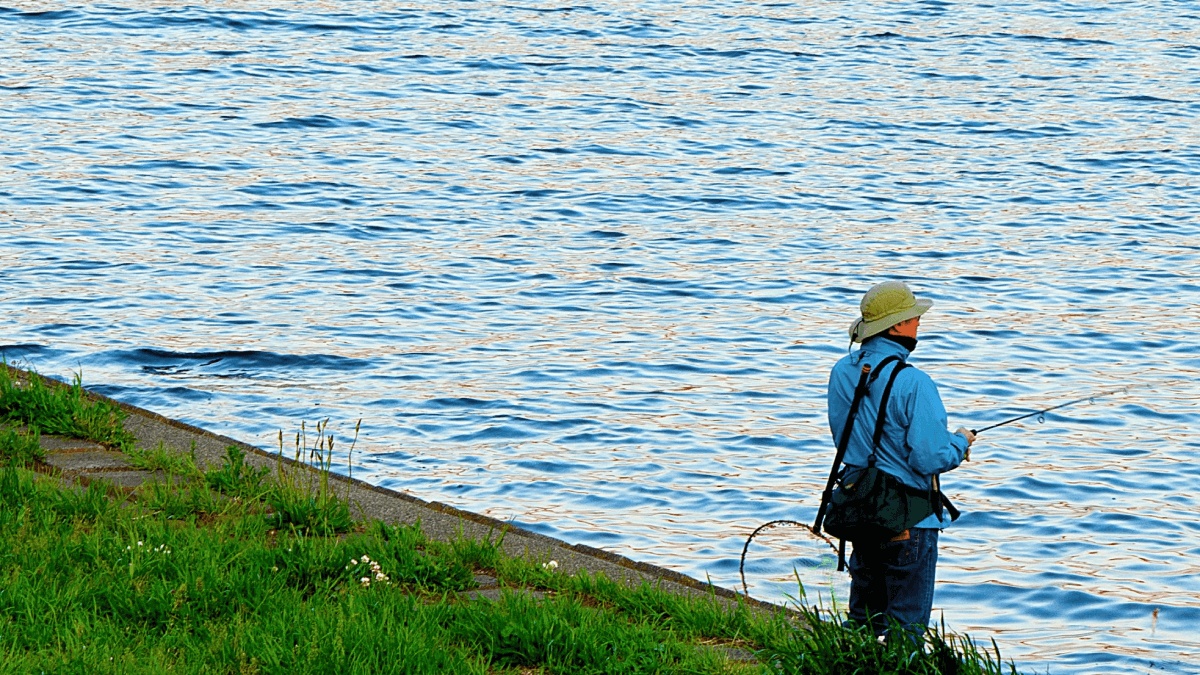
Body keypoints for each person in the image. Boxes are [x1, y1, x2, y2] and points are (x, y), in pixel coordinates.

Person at [826, 280, 975, 644]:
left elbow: (842, 438)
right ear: (896, 327)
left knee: (862, 620)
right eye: (913, 318)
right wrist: (961, 441)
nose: (918, 324)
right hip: (908, 517)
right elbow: (929, 458)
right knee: (905, 630)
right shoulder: (915, 382)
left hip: (860, 508)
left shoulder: (841, 372)